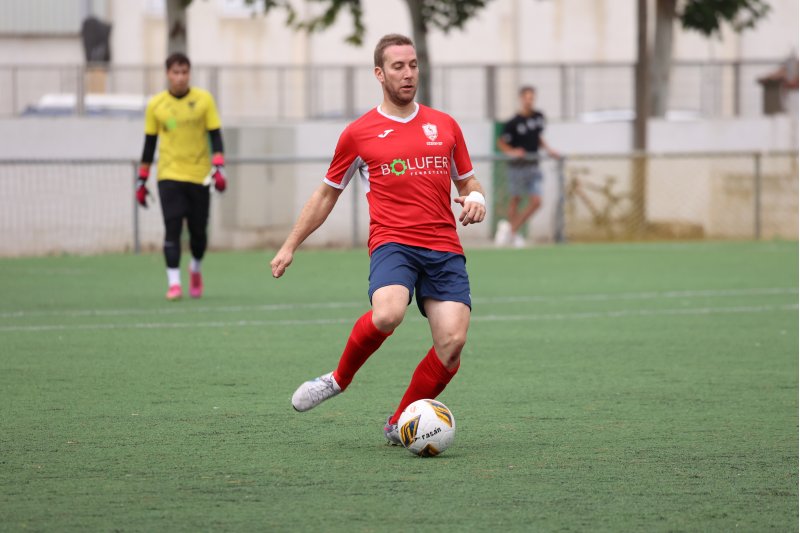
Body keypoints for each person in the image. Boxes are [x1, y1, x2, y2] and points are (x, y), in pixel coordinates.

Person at [270, 34, 487, 445]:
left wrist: (477, 198)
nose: (408, 74)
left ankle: (399, 421)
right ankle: (338, 379)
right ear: (379, 74)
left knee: (452, 343)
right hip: (394, 243)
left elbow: (468, 181)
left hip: (443, 246)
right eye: (398, 67)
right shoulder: (359, 133)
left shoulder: (444, 125)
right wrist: (290, 245)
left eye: (413, 65)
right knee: (388, 313)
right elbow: (326, 194)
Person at [136, 52, 227, 301]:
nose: (180, 77)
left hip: (199, 175)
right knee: (172, 226)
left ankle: (195, 268)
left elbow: (215, 135)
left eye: (184, 72)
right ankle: (174, 283)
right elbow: (149, 144)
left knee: (198, 233)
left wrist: (219, 167)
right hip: (169, 175)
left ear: (189, 73)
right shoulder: (156, 105)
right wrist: (142, 179)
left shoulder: (204, 100)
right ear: (168, 74)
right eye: (175, 72)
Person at [495, 86, 559, 248]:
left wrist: (549, 150)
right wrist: (513, 152)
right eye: (526, 98)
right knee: (516, 199)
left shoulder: (538, 117)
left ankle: (511, 230)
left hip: (533, 165)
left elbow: (538, 137)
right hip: (517, 167)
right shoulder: (513, 122)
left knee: (537, 201)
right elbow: (501, 142)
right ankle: (513, 233)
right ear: (521, 99)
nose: (529, 101)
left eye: (532, 98)